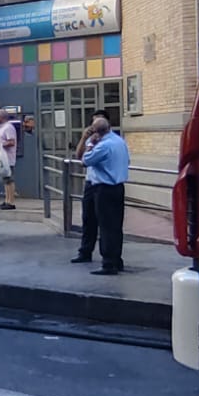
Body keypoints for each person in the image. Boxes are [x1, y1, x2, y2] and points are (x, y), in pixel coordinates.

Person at [77, 116, 130, 276]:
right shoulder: (120, 141)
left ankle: (108, 263)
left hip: (104, 188)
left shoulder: (102, 145)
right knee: (115, 225)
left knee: (106, 226)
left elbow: (85, 161)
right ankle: (116, 259)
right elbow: (127, 160)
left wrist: (90, 144)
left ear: (97, 132)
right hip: (117, 187)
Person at [0, 109, 18, 210]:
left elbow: (12, 142)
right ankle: (7, 200)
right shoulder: (2, 128)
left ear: (1, 117)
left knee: (9, 180)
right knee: (5, 180)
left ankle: (11, 202)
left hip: (8, 158)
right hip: (3, 159)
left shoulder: (8, 127)